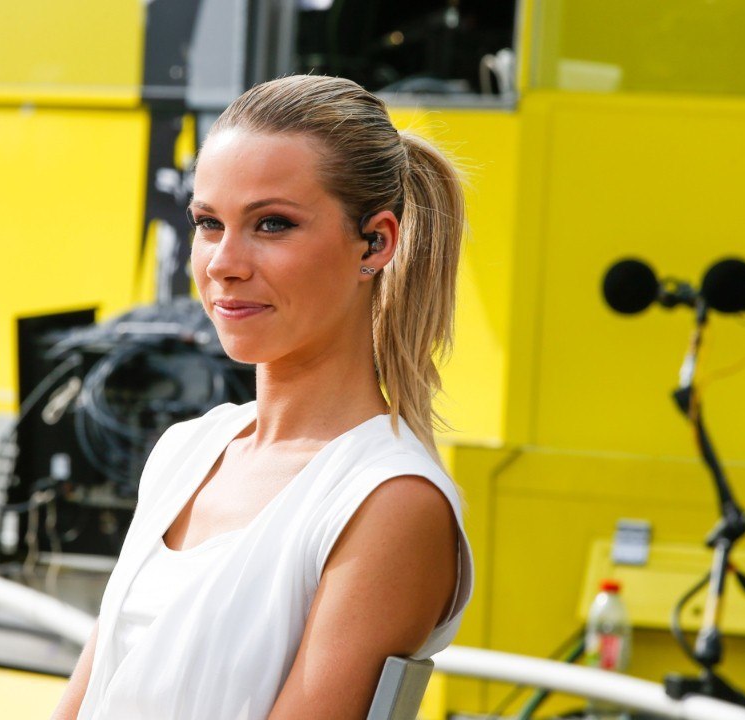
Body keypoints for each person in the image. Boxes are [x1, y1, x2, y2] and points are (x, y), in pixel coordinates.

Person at [51, 74, 473, 720]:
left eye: (271, 224)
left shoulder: (390, 501)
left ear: (376, 242)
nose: (224, 261)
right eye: (208, 223)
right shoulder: (187, 450)